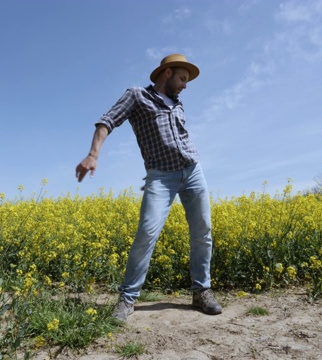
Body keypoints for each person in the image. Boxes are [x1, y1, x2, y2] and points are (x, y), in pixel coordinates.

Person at [75, 54, 222, 321]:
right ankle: (127, 299)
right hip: (161, 177)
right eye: (182, 78)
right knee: (147, 233)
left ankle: (202, 291)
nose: (185, 85)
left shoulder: (178, 105)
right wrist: (93, 155)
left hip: (192, 171)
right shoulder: (137, 96)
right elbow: (106, 121)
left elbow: (178, 141)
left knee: (203, 231)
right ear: (167, 73)